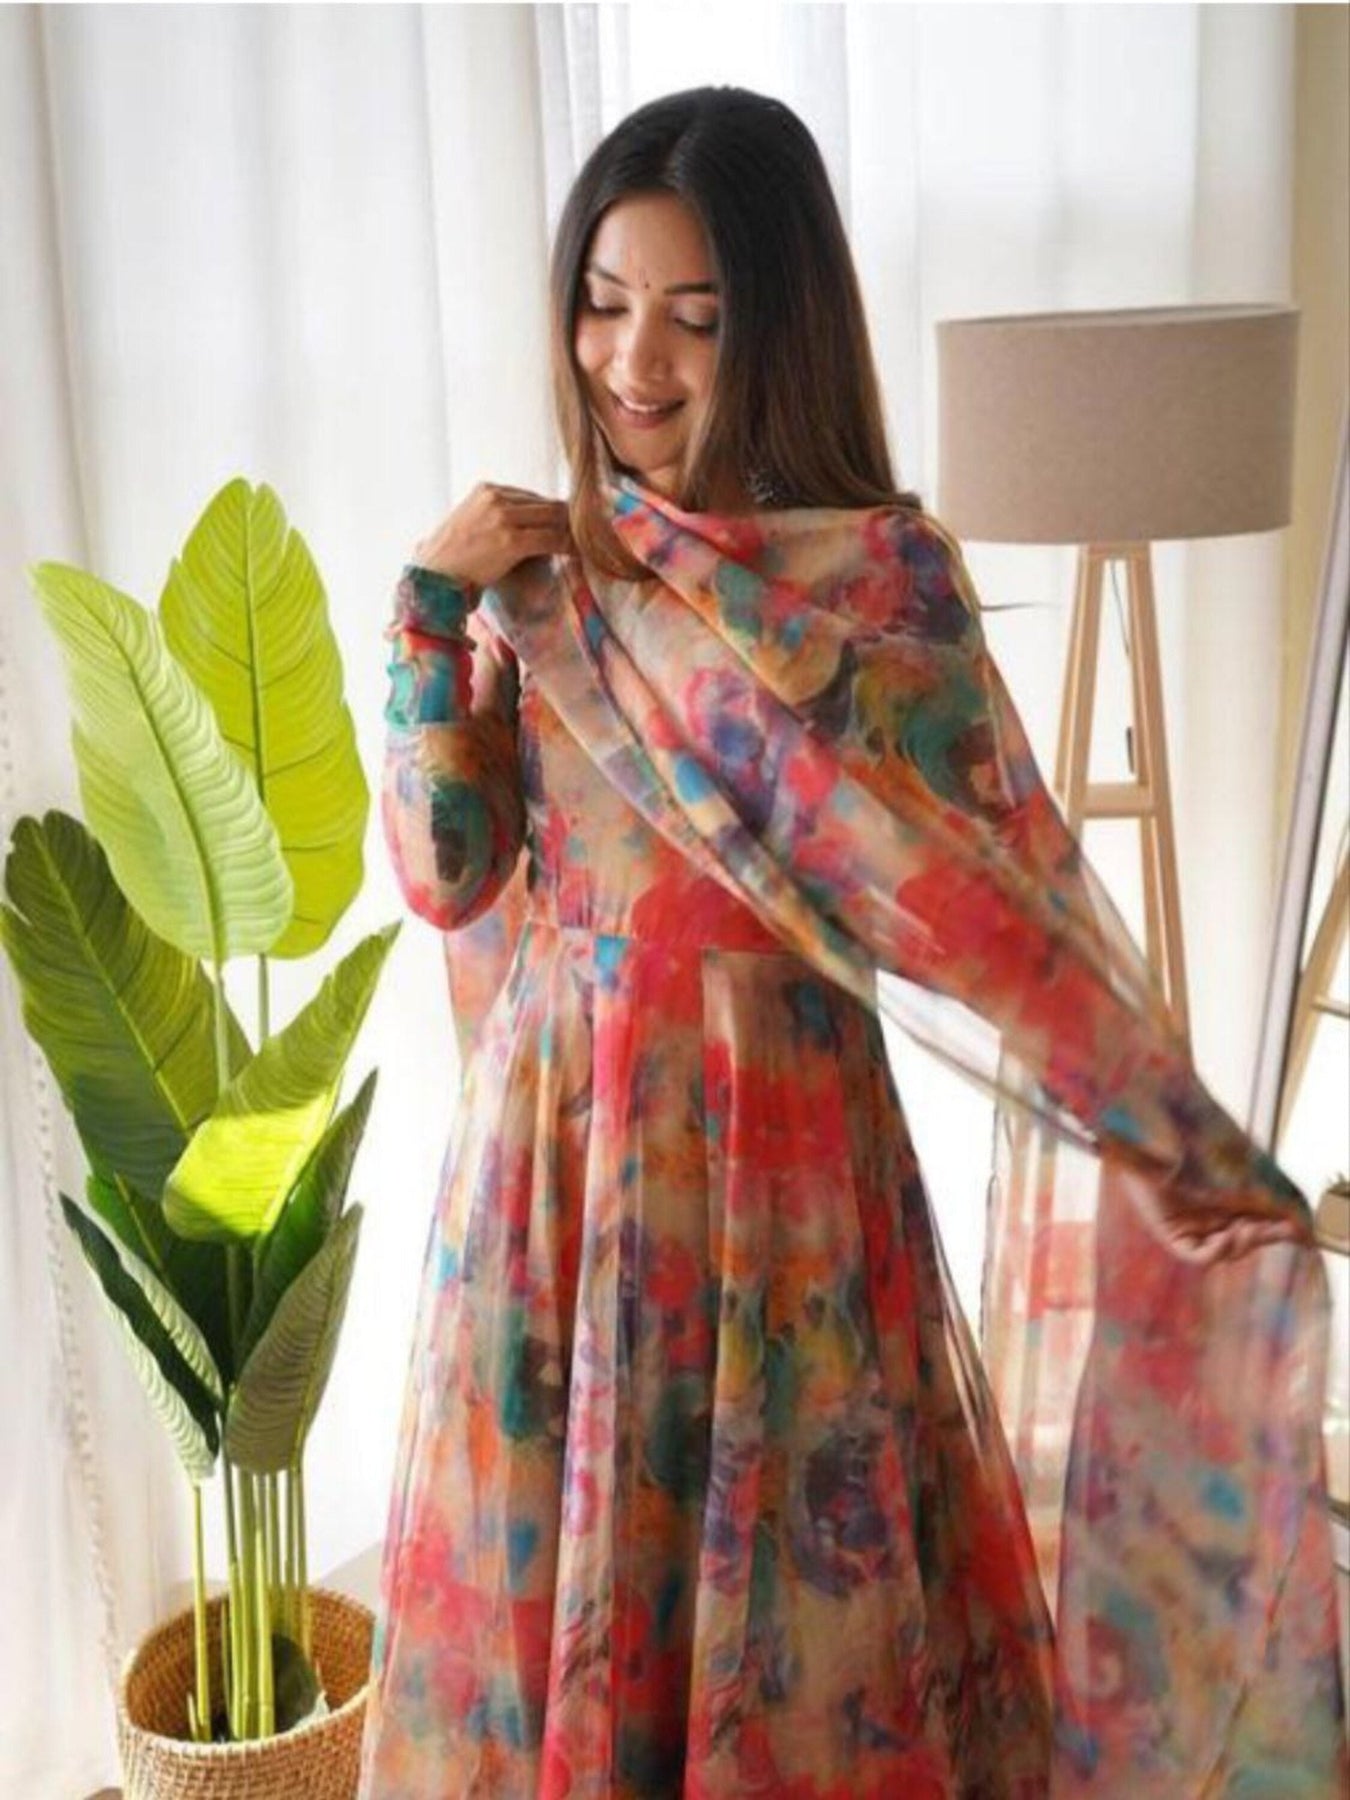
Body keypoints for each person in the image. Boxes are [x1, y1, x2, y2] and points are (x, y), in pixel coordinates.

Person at [357, 86, 1345, 1799]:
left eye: (694, 315)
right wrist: (425, 614)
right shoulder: (542, 582)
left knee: (797, 1631)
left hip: (786, 1171)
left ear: (780, 325)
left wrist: (1171, 1134)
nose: (633, 363)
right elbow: (449, 880)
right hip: (562, 1167)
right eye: (602, 302)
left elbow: (1008, 908)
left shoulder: (877, 591)